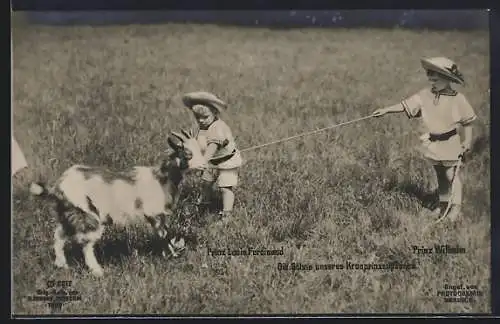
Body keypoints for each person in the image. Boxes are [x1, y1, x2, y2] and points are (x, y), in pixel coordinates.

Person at [372, 57, 477, 221]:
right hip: (433, 144)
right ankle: (443, 205)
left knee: (452, 175)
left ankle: (455, 208)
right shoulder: (424, 95)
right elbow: (405, 104)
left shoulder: (458, 99)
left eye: (436, 80)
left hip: (450, 143)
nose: (432, 83)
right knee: (440, 175)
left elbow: (468, 122)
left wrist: (467, 141)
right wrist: (386, 110)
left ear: (448, 79)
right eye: (430, 79)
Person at [182, 91, 243, 221]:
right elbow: (198, 143)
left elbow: (212, 147)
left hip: (226, 162)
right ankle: (203, 205)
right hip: (212, 162)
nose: (201, 121)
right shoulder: (202, 127)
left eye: (205, 117)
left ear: (215, 113)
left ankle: (227, 214)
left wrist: (202, 161)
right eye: (197, 117)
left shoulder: (217, 127)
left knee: (225, 187)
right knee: (206, 183)